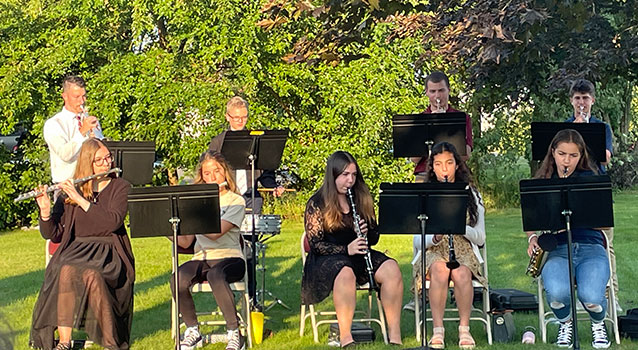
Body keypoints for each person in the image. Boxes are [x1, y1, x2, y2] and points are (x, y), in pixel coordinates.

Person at [29, 139, 134, 350]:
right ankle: (65, 342)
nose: (106, 163)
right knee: (64, 269)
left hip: (109, 250)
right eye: (100, 160)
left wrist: (80, 199)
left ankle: (110, 342)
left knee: (91, 274)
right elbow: (54, 234)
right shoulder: (71, 190)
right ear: (87, 163)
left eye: (108, 157)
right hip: (76, 249)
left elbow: (112, 222)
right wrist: (46, 211)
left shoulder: (121, 187)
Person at [301, 151, 403, 347]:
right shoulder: (317, 202)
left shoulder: (361, 198)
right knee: (346, 273)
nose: (350, 180)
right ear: (333, 176)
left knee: (392, 269)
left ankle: (394, 334)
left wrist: (365, 230)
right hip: (327, 258)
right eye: (345, 175)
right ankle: (346, 336)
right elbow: (316, 244)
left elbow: (374, 238)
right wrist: (346, 248)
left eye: (354, 175)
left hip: (358, 254)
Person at [527, 129, 611, 349]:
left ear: (581, 155)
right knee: (557, 293)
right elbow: (531, 221)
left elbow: (605, 224)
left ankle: (598, 323)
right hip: (557, 248)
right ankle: (565, 322)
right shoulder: (543, 180)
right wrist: (532, 238)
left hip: (590, 245)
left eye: (573, 156)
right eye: (562, 154)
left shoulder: (592, 180)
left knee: (591, 296)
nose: (567, 160)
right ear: (552, 152)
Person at [411, 142, 485, 350]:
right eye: (438, 164)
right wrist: (434, 237)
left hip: (462, 248)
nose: (444, 169)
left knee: (461, 274)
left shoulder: (471, 194)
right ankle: (437, 330)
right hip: (433, 249)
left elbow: (480, 238)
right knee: (440, 270)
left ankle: (464, 329)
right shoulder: (425, 195)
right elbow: (417, 241)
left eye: (449, 163)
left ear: (457, 165)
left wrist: (461, 228)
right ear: (432, 167)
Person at [170, 151, 247, 350]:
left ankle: (234, 332)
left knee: (216, 275)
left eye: (216, 172)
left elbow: (216, 233)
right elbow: (186, 242)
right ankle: (193, 331)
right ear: (201, 176)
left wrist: (197, 210)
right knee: (177, 278)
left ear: (225, 174)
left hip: (230, 258)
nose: (212, 177)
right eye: (206, 174)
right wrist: (166, 227)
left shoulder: (235, 201)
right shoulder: (196, 203)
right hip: (202, 257)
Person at [565, 79, 620, 311]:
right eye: (577, 98)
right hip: (571, 190)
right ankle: (576, 297)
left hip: (597, 189)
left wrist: (585, 132)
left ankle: (611, 296)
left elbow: (605, 157)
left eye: (585, 98)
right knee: (572, 241)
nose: (581, 103)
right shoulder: (565, 128)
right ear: (571, 101)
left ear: (592, 101)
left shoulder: (602, 127)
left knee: (605, 242)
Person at [208, 96, 284, 213]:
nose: (240, 121)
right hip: (227, 197)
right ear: (227, 117)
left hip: (252, 197)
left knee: (251, 229)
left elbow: (265, 172)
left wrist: (273, 186)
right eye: (236, 117)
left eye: (244, 117)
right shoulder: (217, 143)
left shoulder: (256, 140)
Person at [412, 71, 474, 181]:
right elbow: (415, 159)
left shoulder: (461, 117)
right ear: (426, 92)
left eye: (441, 90)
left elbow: (466, 155)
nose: (437, 96)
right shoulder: (420, 119)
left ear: (448, 90)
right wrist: (431, 128)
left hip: (454, 174)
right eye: (433, 91)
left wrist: (444, 128)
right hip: (424, 173)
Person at [43, 75, 104, 185]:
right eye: (76, 97)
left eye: (84, 96)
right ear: (65, 96)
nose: (82, 101)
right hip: (67, 186)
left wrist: (97, 141)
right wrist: (82, 131)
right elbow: (65, 155)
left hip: (93, 183)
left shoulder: (90, 120)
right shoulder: (54, 124)